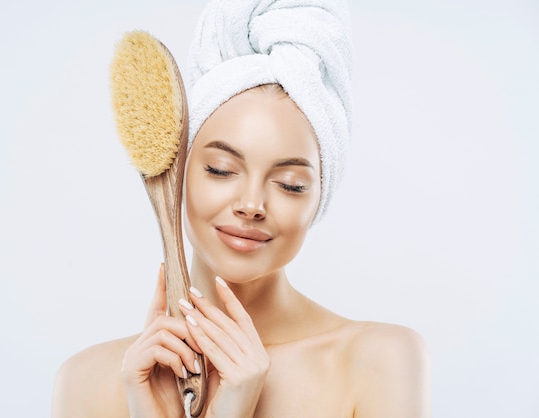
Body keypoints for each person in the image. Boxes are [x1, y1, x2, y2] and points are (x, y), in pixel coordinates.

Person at [51, 1, 431, 417]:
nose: (252, 205)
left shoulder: (377, 362)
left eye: (290, 184)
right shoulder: (88, 382)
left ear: (318, 197)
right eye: (221, 169)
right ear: (177, 172)